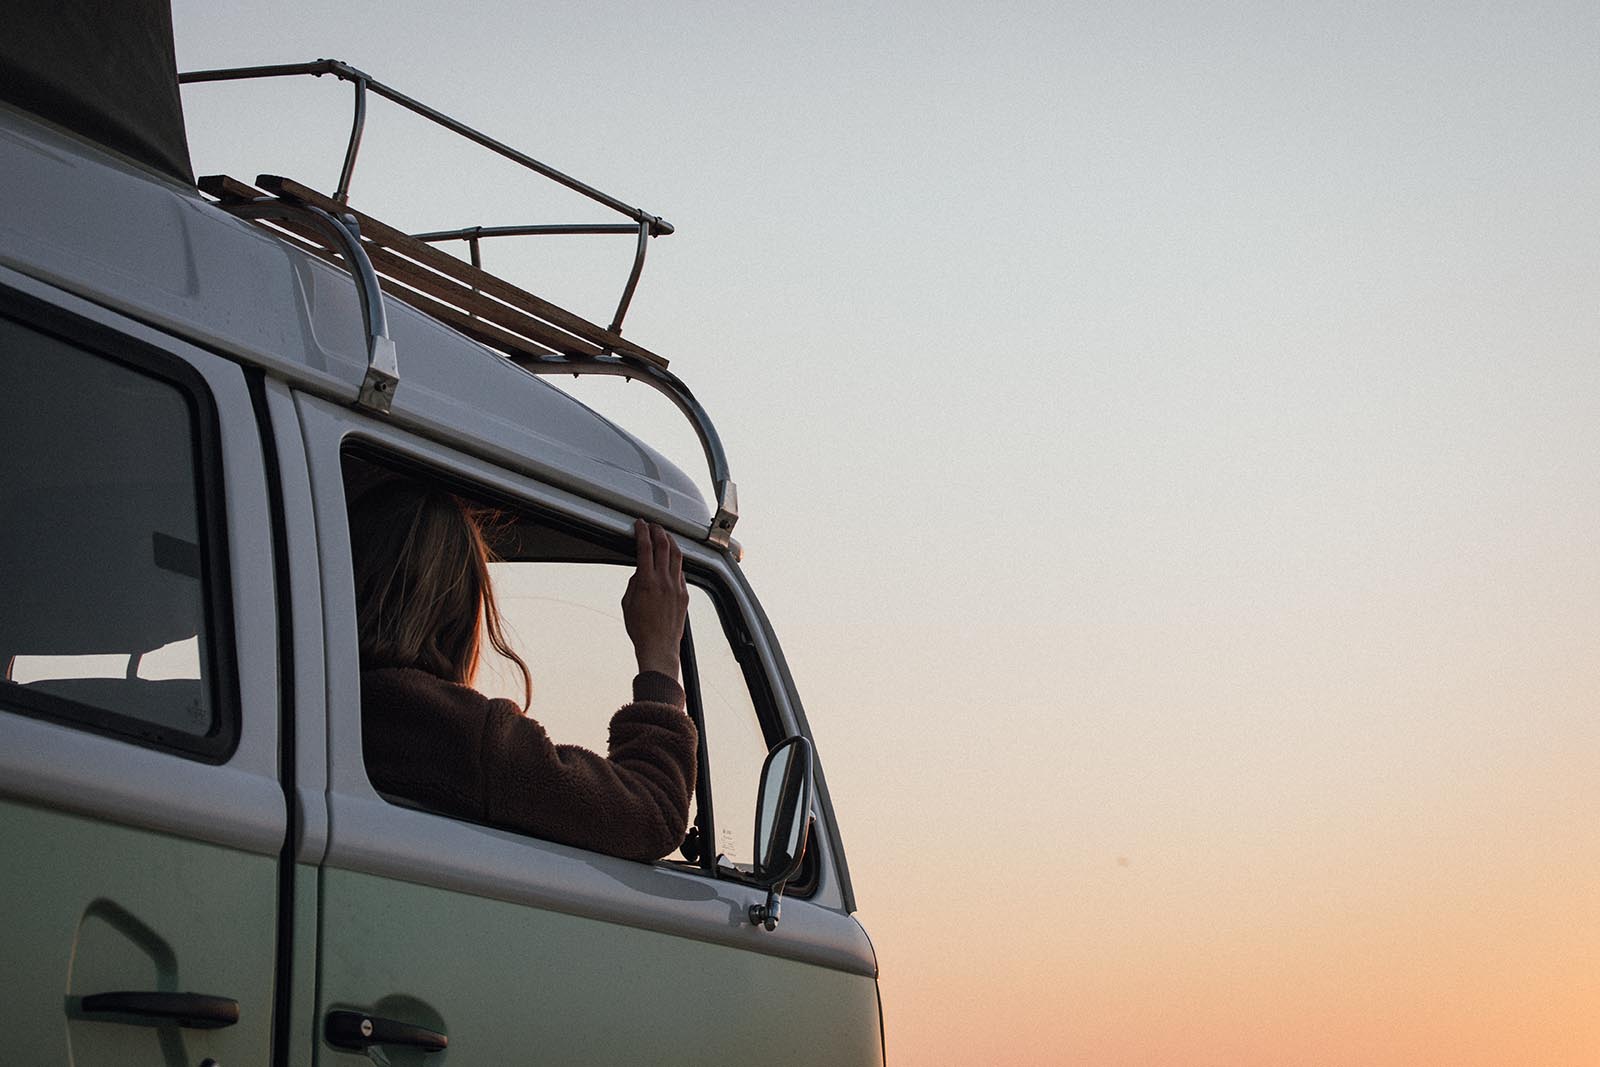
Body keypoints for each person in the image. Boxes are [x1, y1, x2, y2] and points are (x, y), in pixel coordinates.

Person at [349, 478, 698, 863]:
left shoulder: (315, 703)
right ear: (460, 610)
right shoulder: (458, 735)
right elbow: (651, 815)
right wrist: (661, 659)